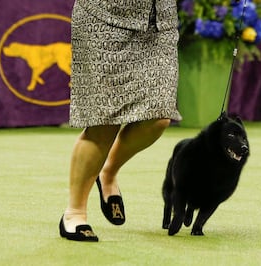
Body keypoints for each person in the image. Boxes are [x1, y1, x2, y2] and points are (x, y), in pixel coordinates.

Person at [59, 0, 181, 242]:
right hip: (103, 18)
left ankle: (108, 171)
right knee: (103, 122)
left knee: (158, 117)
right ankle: (74, 214)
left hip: (158, 23)